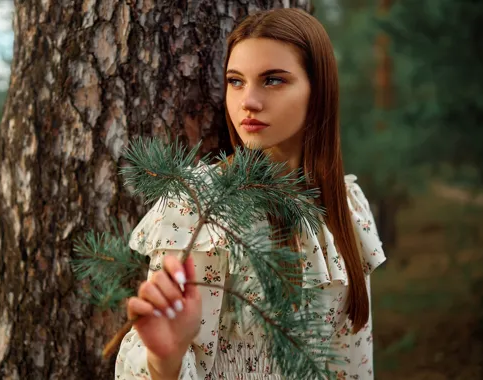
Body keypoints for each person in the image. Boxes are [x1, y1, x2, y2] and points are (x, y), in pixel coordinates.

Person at [115, 8, 386, 380]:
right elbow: (172, 350)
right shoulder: (201, 203)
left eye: (273, 80)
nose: (248, 101)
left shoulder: (346, 203)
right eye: (236, 81)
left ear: (318, 89)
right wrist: (165, 360)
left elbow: (354, 360)